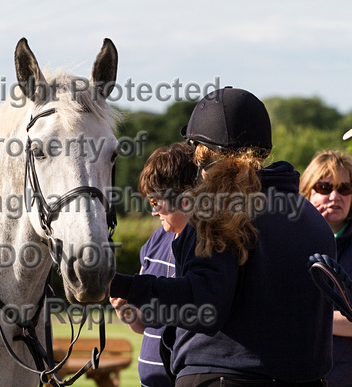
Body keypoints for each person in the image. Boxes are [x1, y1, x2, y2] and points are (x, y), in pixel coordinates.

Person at [110, 87, 335, 386]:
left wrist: (118, 283)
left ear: (202, 154)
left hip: (222, 377)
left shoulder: (217, 213)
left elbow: (202, 307)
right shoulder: (311, 217)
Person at [110, 142, 196, 387]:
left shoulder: (207, 250)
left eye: (155, 201)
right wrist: (123, 309)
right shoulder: (153, 243)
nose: (153, 212)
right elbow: (144, 324)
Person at [300, 150, 352, 387]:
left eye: (344, 188)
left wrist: (305, 318)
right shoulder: (287, 241)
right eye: (324, 187)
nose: (334, 196)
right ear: (307, 191)